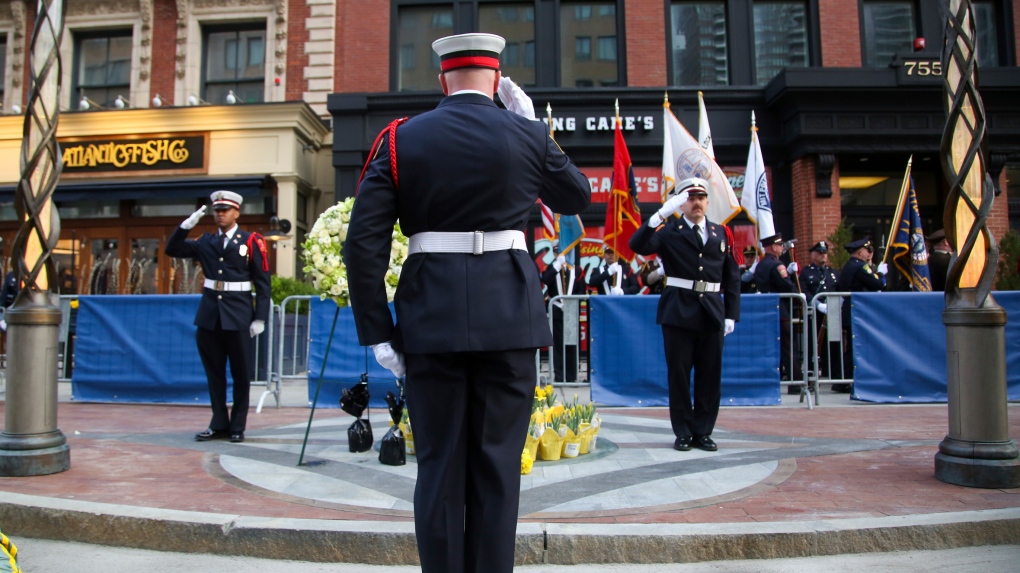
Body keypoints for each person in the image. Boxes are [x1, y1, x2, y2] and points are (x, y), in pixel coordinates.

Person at [343, 33, 590, 573]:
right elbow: (577, 197)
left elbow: (363, 241)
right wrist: (538, 131)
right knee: (498, 467)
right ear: (498, 81)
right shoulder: (526, 134)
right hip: (510, 316)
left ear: (442, 81)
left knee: (437, 466)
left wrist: (378, 329)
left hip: (432, 318)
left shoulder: (399, 139)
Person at [629, 177, 740, 452]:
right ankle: (683, 432)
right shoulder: (670, 231)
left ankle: (703, 431)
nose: (697, 202)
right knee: (679, 375)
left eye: (701, 197)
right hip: (678, 311)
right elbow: (637, 245)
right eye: (690, 198)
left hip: (712, 311)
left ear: (707, 201)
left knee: (709, 376)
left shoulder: (721, 233)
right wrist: (660, 214)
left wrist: (731, 314)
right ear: (681, 203)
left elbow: (732, 276)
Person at [165, 191, 271, 443]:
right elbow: (173, 249)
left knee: (241, 373)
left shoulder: (250, 241)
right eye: (217, 210)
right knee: (214, 374)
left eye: (225, 210)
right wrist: (184, 226)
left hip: (238, 315)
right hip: (210, 316)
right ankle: (219, 423)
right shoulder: (206, 242)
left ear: (236, 213)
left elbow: (263, 284)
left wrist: (260, 318)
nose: (220, 214)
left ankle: (237, 426)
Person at [835, 237, 886, 392]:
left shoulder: (850, 265)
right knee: (855, 347)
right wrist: (881, 274)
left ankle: (843, 379)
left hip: (852, 310)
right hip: (856, 311)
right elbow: (878, 284)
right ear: (860, 252)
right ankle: (845, 379)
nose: (868, 254)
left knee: (852, 346)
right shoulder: (859, 267)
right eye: (867, 251)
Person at [753, 233, 802, 391]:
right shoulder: (776, 264)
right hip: (780, 311)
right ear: (774, 247)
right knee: (789, 348)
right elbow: (786, 286)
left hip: (766, 310)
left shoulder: (761, 264)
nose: (782, 248)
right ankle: (796, 382)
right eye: (780, 245)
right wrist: (797, 292)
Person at [541, 245, 587, 382]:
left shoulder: (577, 270)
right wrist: (557, 266)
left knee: (572, 345)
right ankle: (560, 376)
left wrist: (572, 303)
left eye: (562, 252)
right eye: (557, 252)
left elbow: (581, 291)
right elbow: (545, 280)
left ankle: (572, 376)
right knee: (558, 346)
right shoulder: (551, 268)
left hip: (571, 311)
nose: (559, 254)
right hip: (557, 312)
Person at [800, 241, 841, 380]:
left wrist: (839, 302)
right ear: (813, 255)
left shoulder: (833, 273)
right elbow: (804, 291)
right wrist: (817, 304)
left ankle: (834, 373)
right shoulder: (806, 272)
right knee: (814, 342)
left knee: (834, 343)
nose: (823, 256)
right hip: (815, 313)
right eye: (819, 253)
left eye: (824, 253)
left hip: (832, 311)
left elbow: (838, 289)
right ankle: (812, 373)